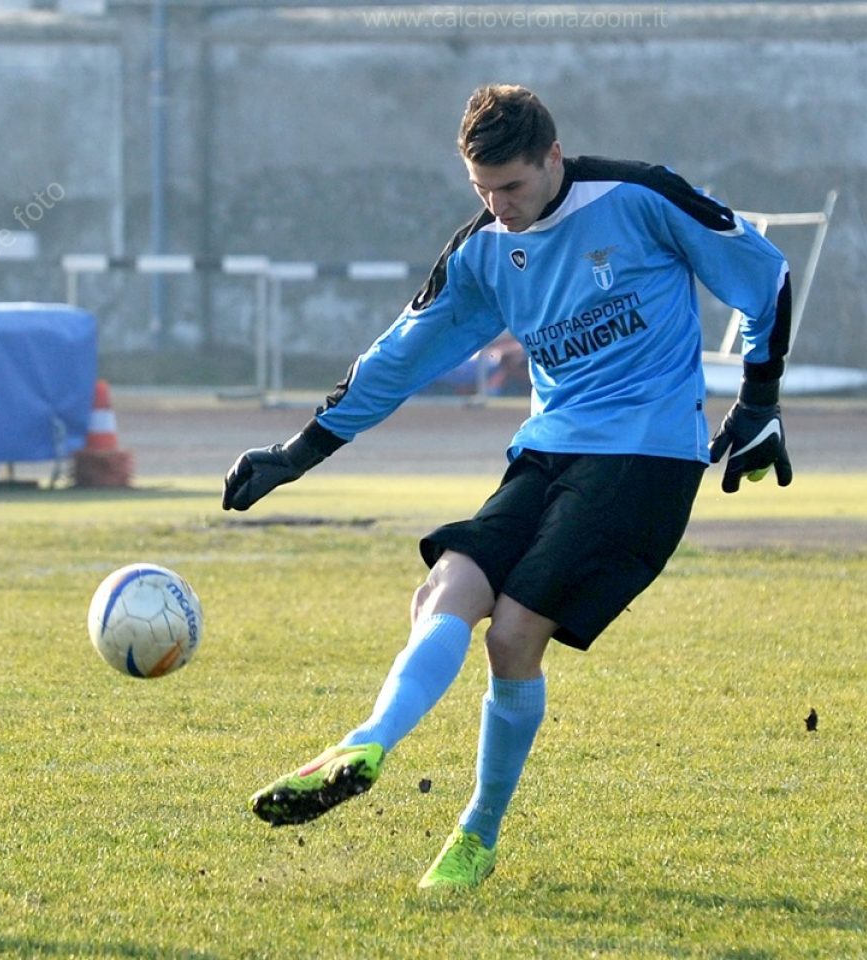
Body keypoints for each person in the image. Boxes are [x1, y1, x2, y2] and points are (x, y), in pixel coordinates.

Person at [222, 83, 794, 890]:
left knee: (513, 635)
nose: (500, 206)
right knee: (446, 586)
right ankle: (366, 741)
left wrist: (760, 400)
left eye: (513, 187)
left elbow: (764, 276)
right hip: (546, 452)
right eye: (482, 190)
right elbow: (400, 356)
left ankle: (476, 836)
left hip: (646, 457)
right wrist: (299, 451)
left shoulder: (639, 197)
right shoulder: (486, 250)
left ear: (553, 157)